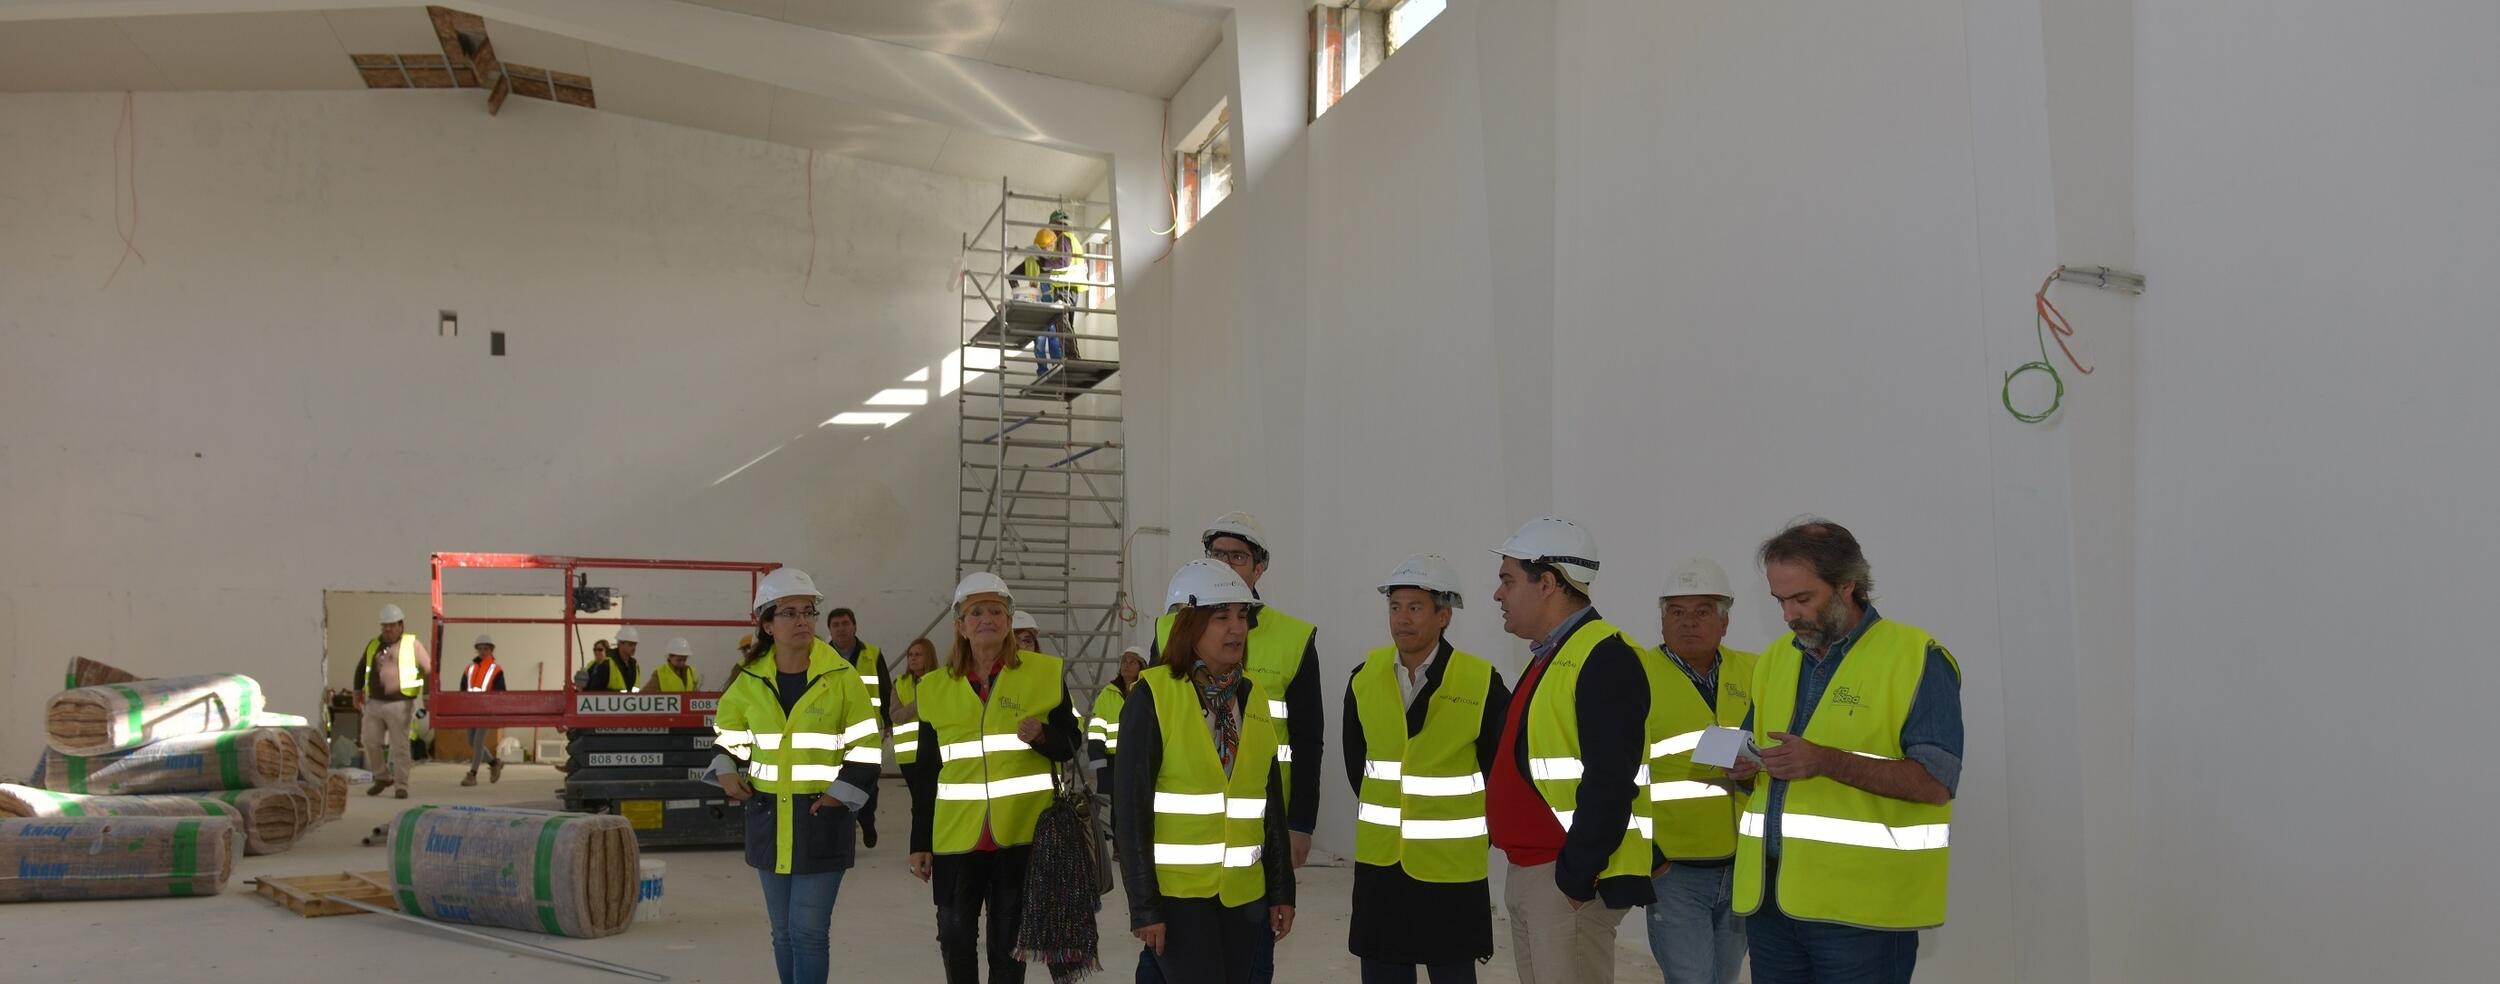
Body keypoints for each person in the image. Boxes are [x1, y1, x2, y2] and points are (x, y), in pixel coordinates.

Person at [1727, 521, 1962, 984]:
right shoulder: (1776, 658)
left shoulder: (1917, 658)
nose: (1790, 615)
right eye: (1780, 601)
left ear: (1847, 586)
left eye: (1803, 599)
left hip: (1864, 916)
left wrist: (1826, 761)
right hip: (1771, 904)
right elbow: (1755, 750)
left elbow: (1936, 783)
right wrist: (1742, 767)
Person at [1141, 512, 1320, 984]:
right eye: (1216, 555)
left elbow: (1305, 742)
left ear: (1259, 569)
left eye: (1237, 556)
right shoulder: (1155, 684)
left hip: (1248, 865)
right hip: (1180, 882)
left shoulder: (1273, 666)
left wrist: (1293, 849)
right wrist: (1144, 902)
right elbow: (1135, 797)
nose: (1234, 628)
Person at [1486, 517, 1655, 984]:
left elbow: (1609, 779)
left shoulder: (1604, 657)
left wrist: (1576, 878)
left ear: (1547, 583)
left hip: (1564, 880)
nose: (1498, 595)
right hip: (1533, 874)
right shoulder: (1554, 656)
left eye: (1507, 580)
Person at [1117, 560, 1295, 984]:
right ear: (1188, 624)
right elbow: (1131, 809)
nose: (1236, 628)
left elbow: (1268, 805)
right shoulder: (1152, 696)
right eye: (1220, 617)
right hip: (1178, 897)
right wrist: (1144, 907)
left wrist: (1281, 890)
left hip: (1244, 895)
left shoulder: (1253, 697)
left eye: (1241, 616)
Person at [903, 573, 1083, 983]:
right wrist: (920, 842)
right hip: (954, 835)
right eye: (976, 612)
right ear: (960, 626)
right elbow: (926, 773)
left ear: (1009, 620)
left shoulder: (1044, 674)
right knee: (953, 935)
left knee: (1008, 947)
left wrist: (1044, 736)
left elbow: (1070, 743)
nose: (987, 619)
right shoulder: (934, 687)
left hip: (1020, 834)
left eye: (996, 611)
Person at [1341, 554, 1511, 984]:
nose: (1402, 619)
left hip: (1451, 872)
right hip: (1382, 867)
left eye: (1415, 608)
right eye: (1395, 607)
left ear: (1443, 615)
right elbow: (1356, 764)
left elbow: (1501, 770)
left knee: (1453, 972)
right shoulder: (1364, 678)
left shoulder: (1480, 681)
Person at [712, 567, 884, 984]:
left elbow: (867, 745)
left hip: (820, 819)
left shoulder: (842, 677)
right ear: (767, 625)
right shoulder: (748, 680)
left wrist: (837, 797)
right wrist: (726, 770)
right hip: (769, 819)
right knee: (783, 933)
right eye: (788, 612)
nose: (803, 620)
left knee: (807, 933)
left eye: (808, 611)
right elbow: (728, 737)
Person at [1641, 558, 1759, 984]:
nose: (1689, 622)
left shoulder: (1756, 671)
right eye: (1677, 612)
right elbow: (1620, 770)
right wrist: (1649, 856)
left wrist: (1751, 770)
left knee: (1723, 978)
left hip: (1743, 863)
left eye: (1702, 611)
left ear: (1724, 622)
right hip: (1675, 867)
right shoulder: (1636, 673)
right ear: (1662, 621)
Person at [826, 607, 892, 849]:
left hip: (867, 729)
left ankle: (867, 819)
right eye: (836, 625)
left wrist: (889, 722)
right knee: (835, 779)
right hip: (831, 730)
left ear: (854, 626)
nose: (841, 628)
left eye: (845, 623)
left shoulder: (872, 654)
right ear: (829, 630)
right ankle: (844, 826)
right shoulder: (820, 655)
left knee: (868, 779)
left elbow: (885, 688)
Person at [353, 603, 430, 799]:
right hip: (374, 703)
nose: (388, 629)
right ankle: (382, 777)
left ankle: (401, 785)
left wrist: (429, 697)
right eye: (384, 625)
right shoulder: (373, 645)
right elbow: (361, 669)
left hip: (400, 704)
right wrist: (356, 692)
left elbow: (430, 670)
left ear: (401, 625)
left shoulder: (413, 645)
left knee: (400, 746)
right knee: (369, 740)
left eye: (392, 625)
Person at [1089, 646, 1146, 790]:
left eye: (1133, 662)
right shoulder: (1107, 694)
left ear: (1142, 666)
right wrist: (1098, 759)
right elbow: (1096, 729)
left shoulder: (1147, 694)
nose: (1126, 665)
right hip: (1112, 762)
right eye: (1124, 661)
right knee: (1117, 809)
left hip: (1140, 761)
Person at [460, 633, 508, 787]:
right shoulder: (469, 669)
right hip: (471, 710)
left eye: (485, 648)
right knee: (471, 742)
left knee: (478, 742)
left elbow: (501, 692)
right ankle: (494, 763)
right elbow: (462, 690)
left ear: (491, 650)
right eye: (480, 649)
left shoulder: (496, 670)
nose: (482, 651)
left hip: (486, 710)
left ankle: (472, 774)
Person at [890, 637, 938, 768]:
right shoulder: (900, 683)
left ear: (928, 657)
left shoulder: (939, 681)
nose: (913, 658)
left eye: (918, 654)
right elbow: (896, 716)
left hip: (935, 750)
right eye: (910, 655)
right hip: (909, 754)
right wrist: (920, 701)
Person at [586, 628, 641, 692]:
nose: (634, 648)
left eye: (635, 644)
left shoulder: (635, 665)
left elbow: (635, 690)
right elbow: (594, 693)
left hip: (629, 701)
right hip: (608, 702)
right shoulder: (607, 664)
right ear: (620, 644)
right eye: (630, 644)